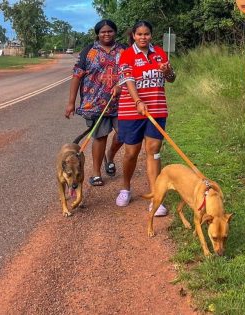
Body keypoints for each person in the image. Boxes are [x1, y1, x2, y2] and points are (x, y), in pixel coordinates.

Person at [113, 20, 176, 216]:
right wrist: (138, 101)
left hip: (156, 109)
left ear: (151, 35)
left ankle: (155, 198)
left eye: (146, 34)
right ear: (133, 35)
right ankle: (125, 188)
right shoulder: (127, 55)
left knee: (153, 151)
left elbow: (171, 78)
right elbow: (128, 80)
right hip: (132, 110)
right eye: (139, 34)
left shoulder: (159, 52)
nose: (143, 37)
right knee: (131, 152)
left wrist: (168, 72)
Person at [65, 19, 126, 186]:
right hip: (95, 103)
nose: (106, 34)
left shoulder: (124, 50)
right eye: (103, 32)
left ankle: (111, 156)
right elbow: (77, 75)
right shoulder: (88, 51)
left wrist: (121, 86)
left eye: (110, 31)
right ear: (97, 34)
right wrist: (71, 102)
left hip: (121, 101)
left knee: (123, 134)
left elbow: (132, 73)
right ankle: (97, 173)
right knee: (100, 137)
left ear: (115, 32)